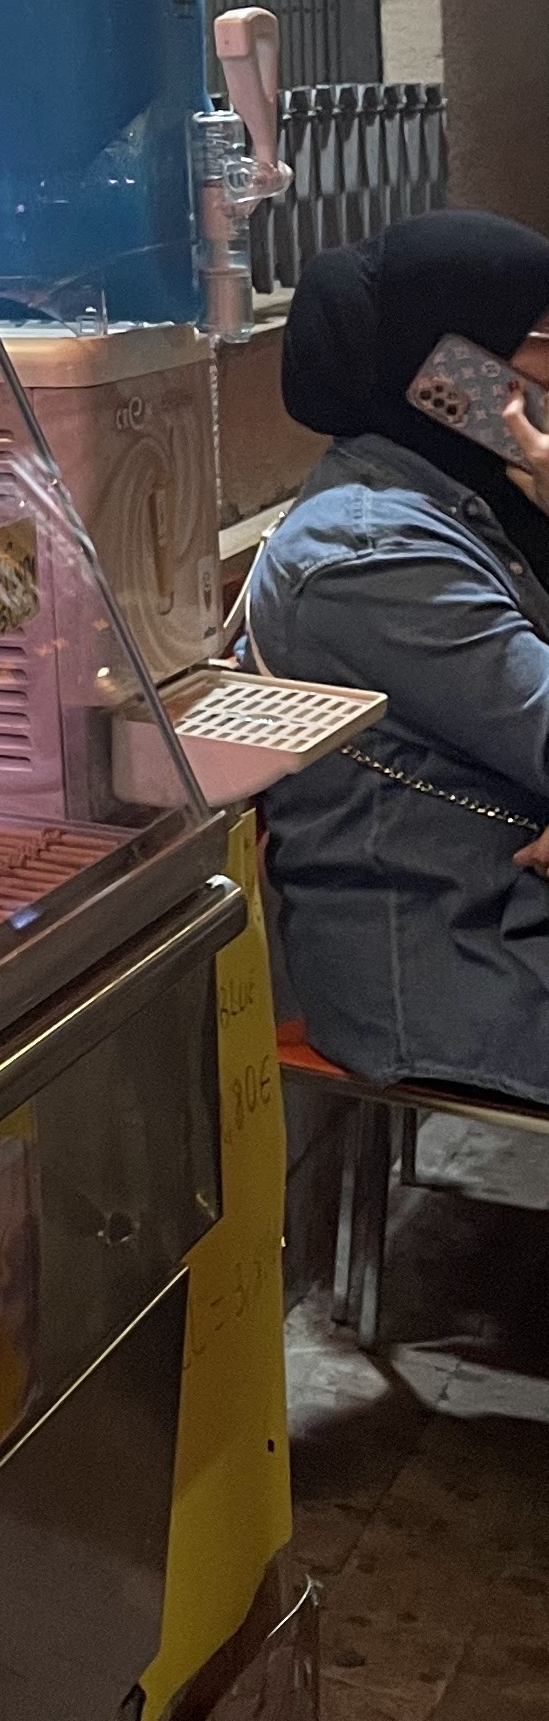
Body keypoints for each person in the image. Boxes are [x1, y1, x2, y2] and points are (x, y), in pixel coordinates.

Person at [250, 210, 549, 1100]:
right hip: (468, 963)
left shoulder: (472, 496)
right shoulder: (371, 552)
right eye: (542, 339)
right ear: (446, 373)